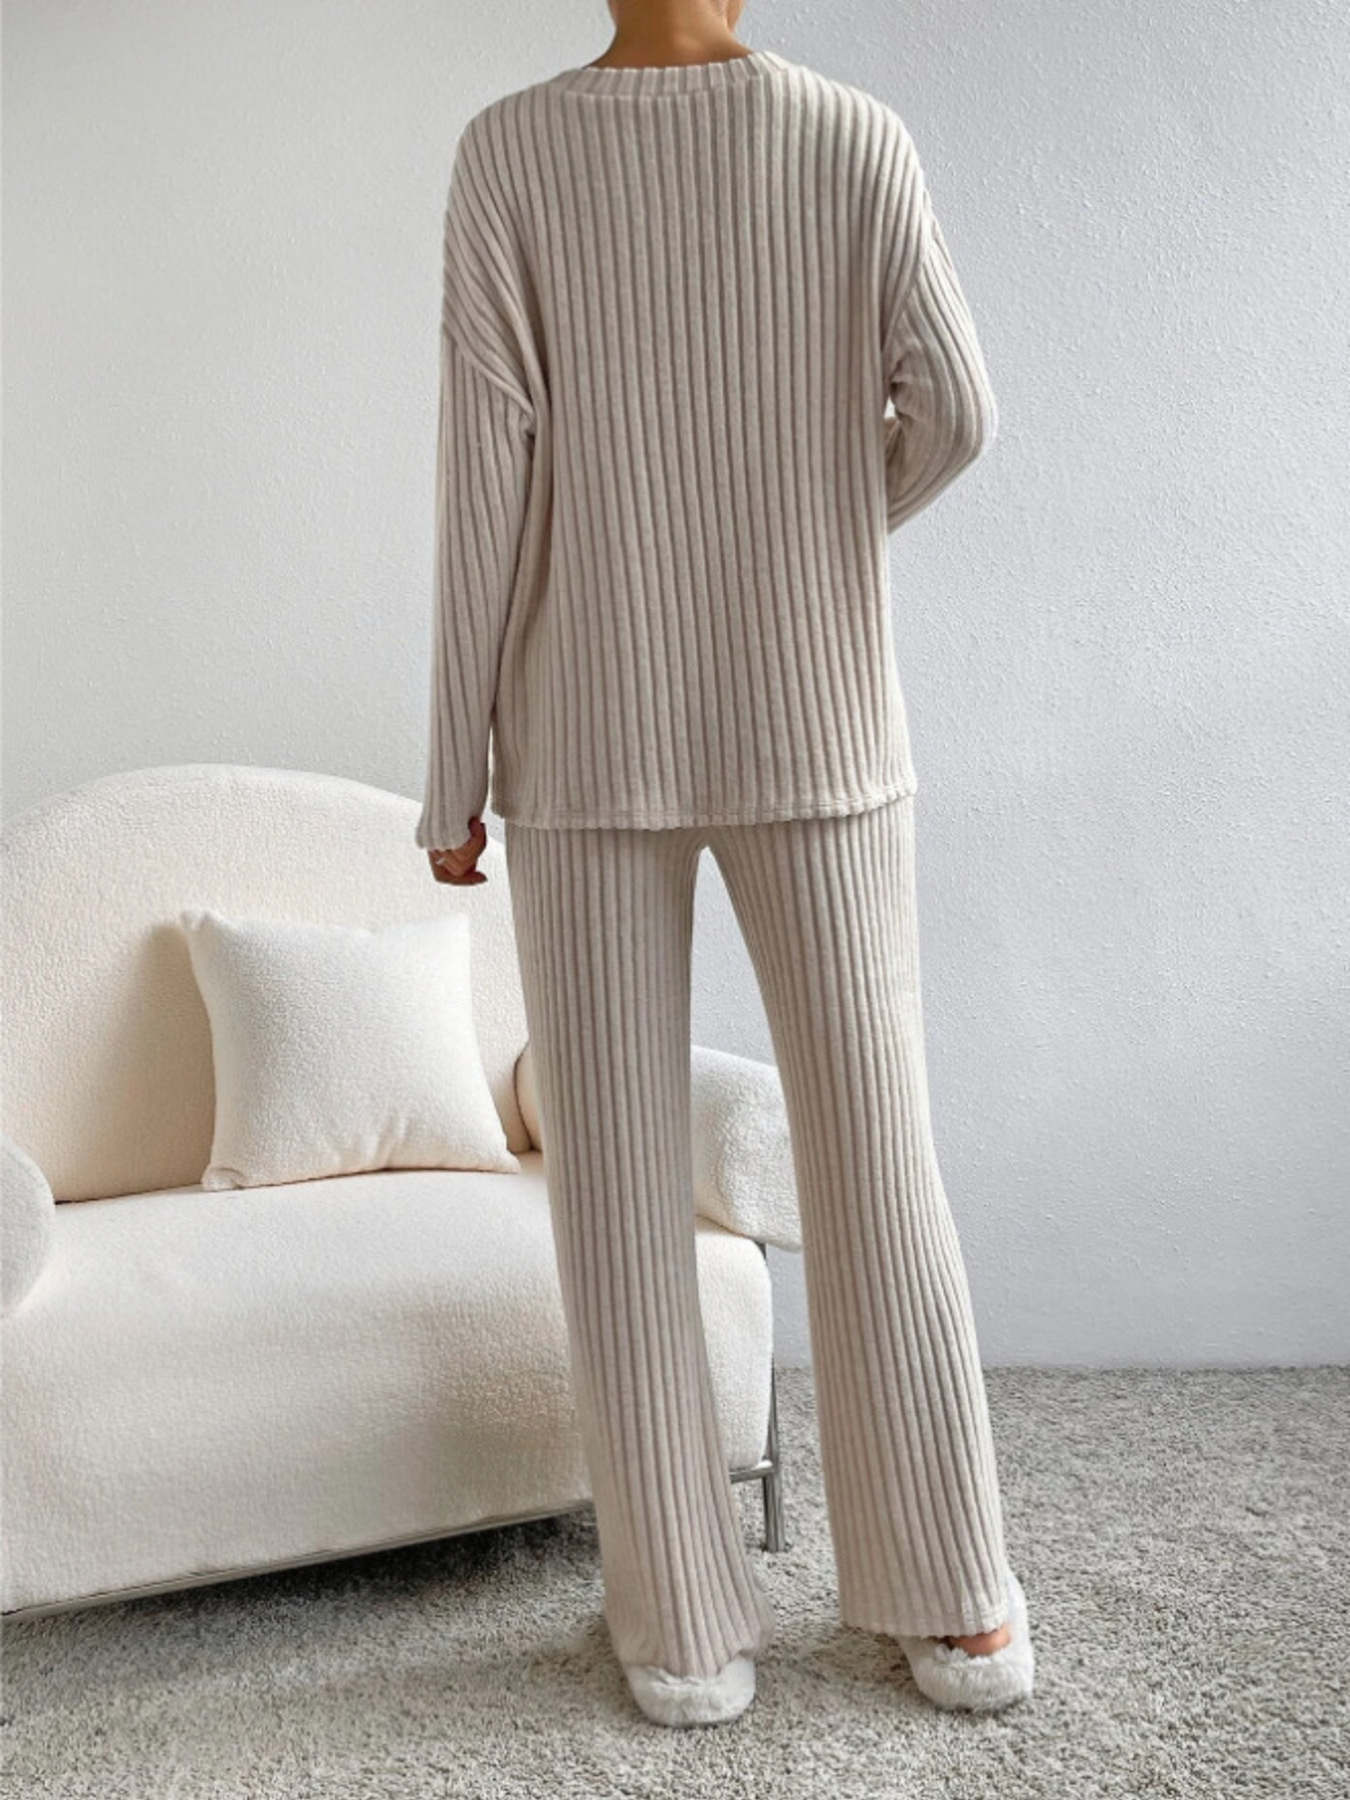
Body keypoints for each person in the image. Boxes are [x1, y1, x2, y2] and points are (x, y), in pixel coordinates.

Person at [417, 0, 1035, 1729]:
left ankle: (682, 1618)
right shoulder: (852, 136)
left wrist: (454, 763)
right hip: (812, 713)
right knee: (870, 1151)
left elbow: (482, 478)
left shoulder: (510, 151)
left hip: (579, 719)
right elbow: (956, 413)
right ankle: (951, 1597)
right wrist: (810, 525)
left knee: (616, 1180)